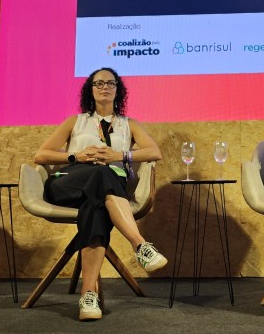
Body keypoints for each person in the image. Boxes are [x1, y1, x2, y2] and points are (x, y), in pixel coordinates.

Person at [34, 67, 167, 321]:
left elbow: (154, 152)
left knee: (95, 210)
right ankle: (139, 244)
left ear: (118, 89)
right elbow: (41, 155)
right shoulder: (77, 121)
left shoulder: (129, 125)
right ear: (90, 90)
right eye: (99, 83)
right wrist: (76, 156)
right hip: (69, 184)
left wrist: (121, 155)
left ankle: (88, 297)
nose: (105, 87)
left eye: (110, 83)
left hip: (104, 194)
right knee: (101, 173)